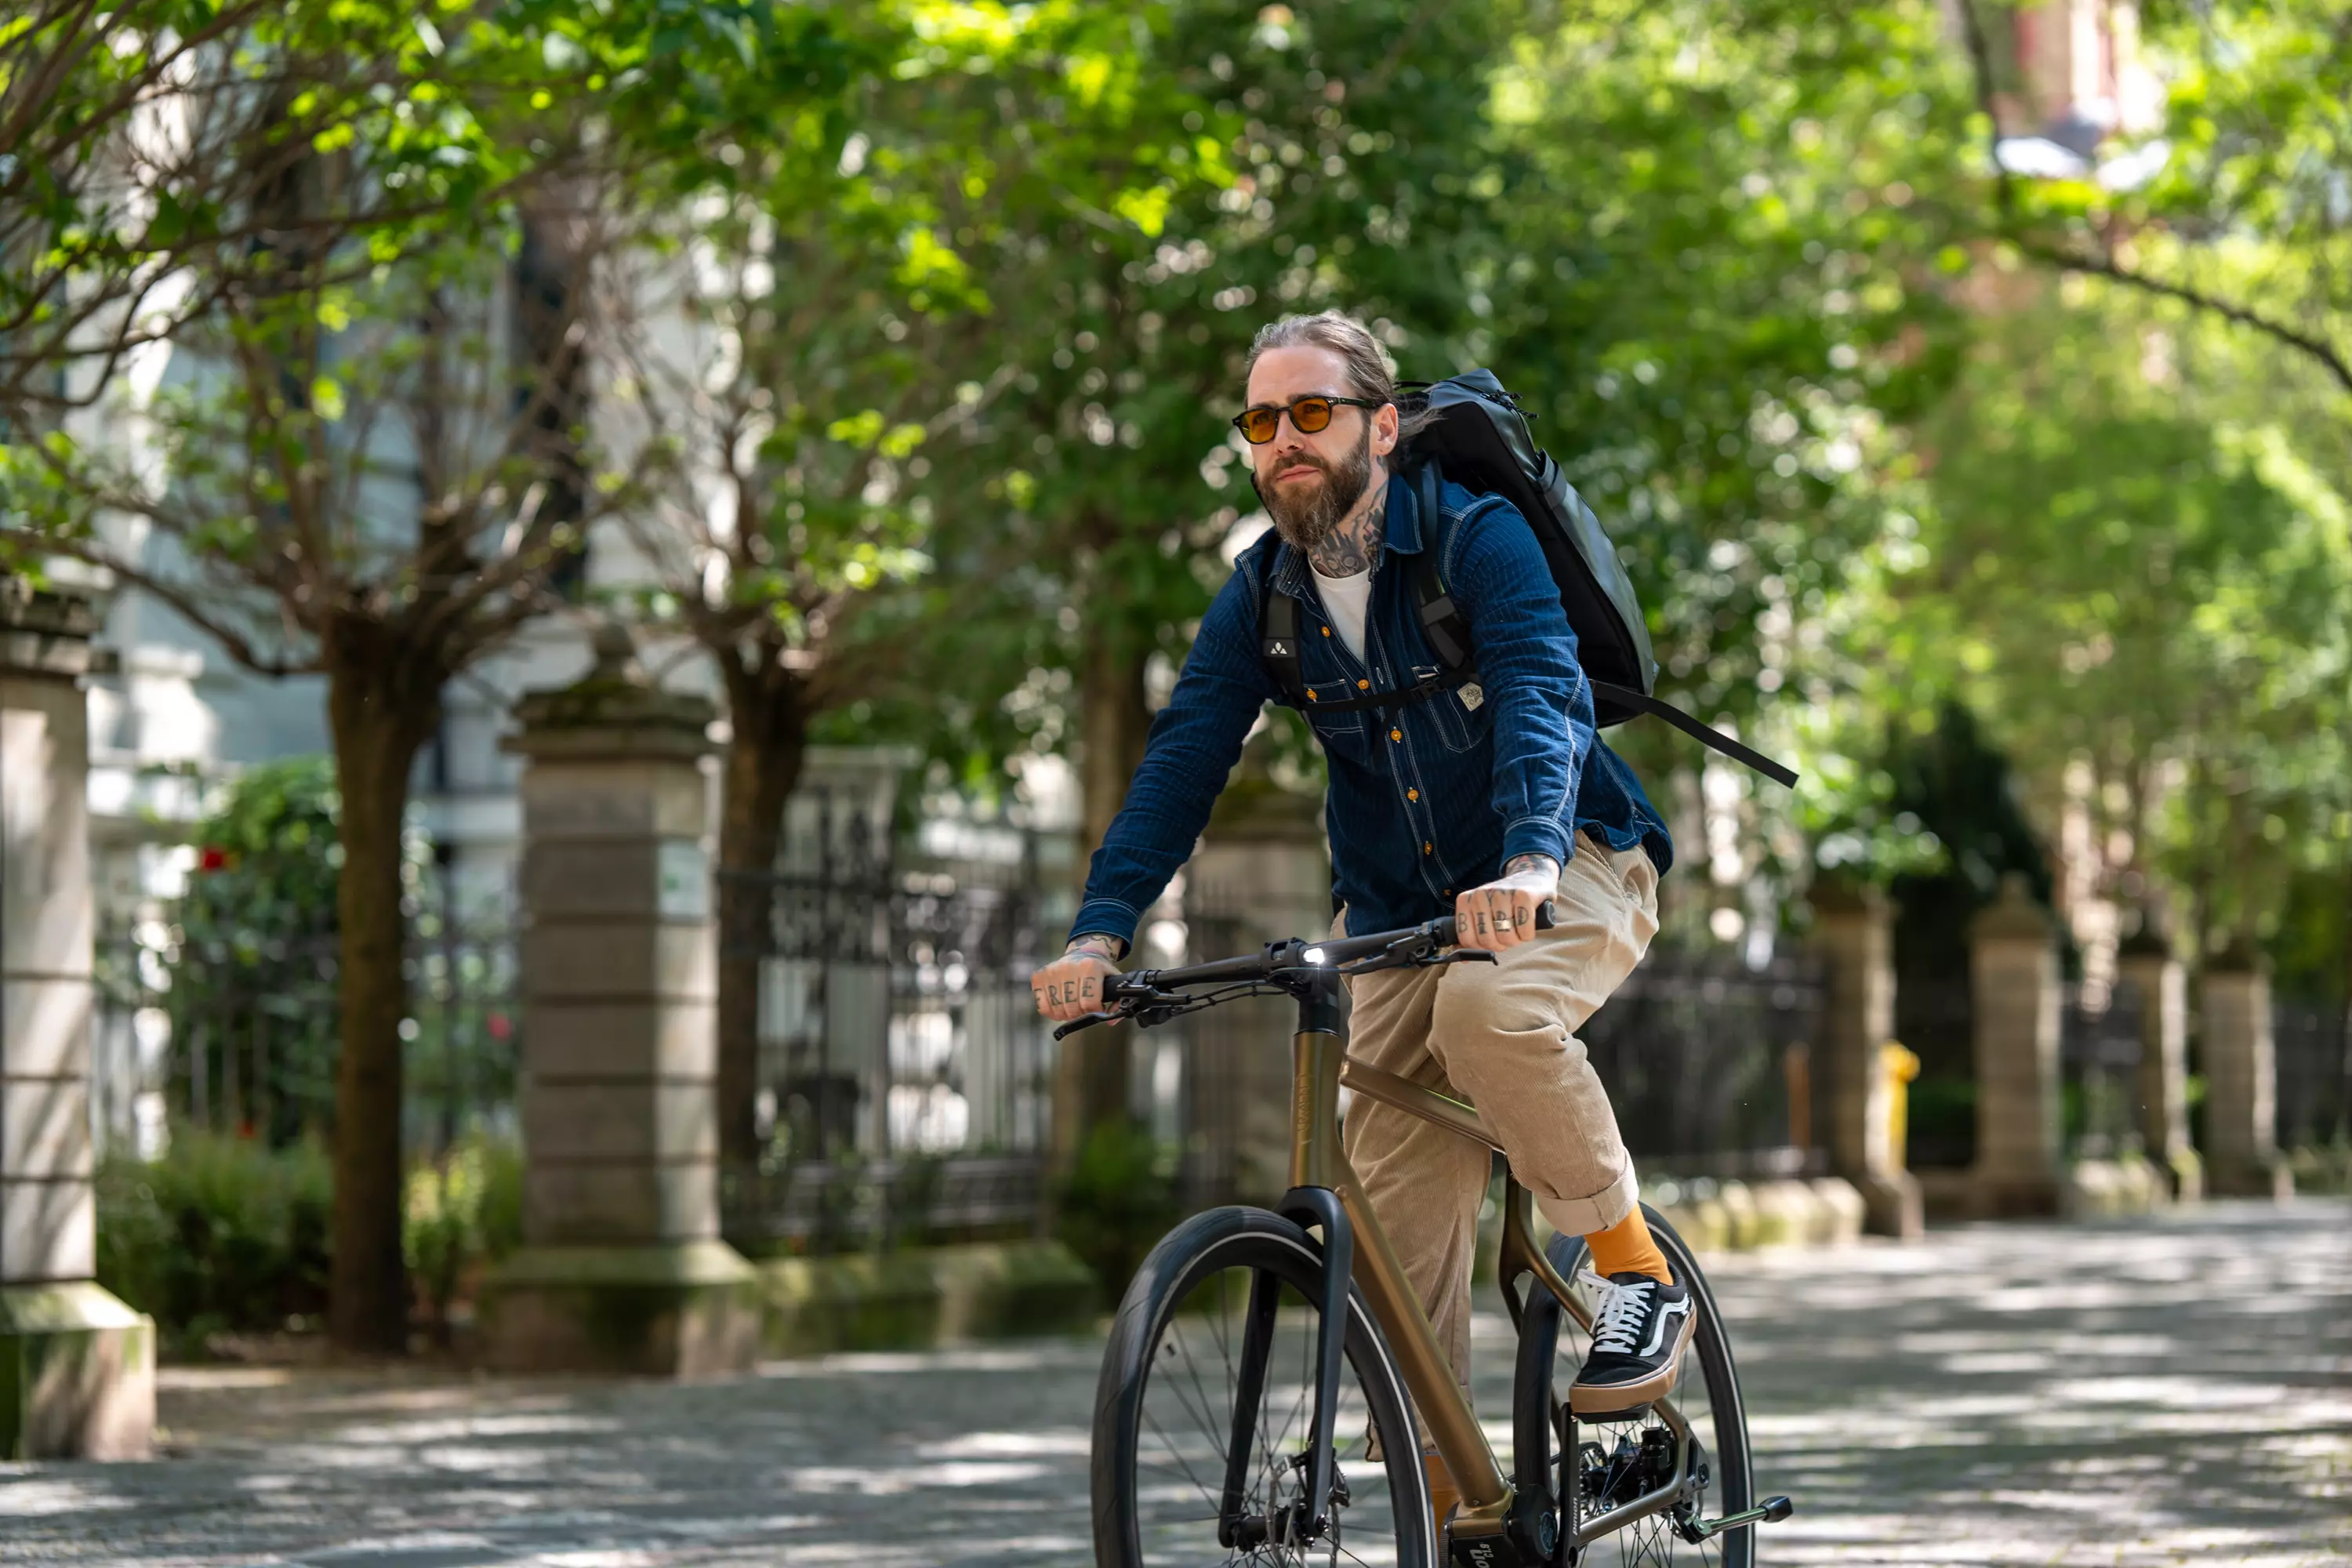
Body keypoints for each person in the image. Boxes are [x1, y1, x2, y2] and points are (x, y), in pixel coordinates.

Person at [1030, 310, 1686, 1528]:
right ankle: (1451, 1503)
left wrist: (1533, 858)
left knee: (1491, 1013)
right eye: (1262, 419)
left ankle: (1635, 1270)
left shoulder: (1474, 539)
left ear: (1380, 427)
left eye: (1313, 412)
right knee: (1385, 1196)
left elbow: (1543, 689)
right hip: (1399, 911)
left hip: (1575, 858)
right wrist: (1099, 932)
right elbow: (1185, 757)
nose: (1284, 438)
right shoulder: (1263, 593)